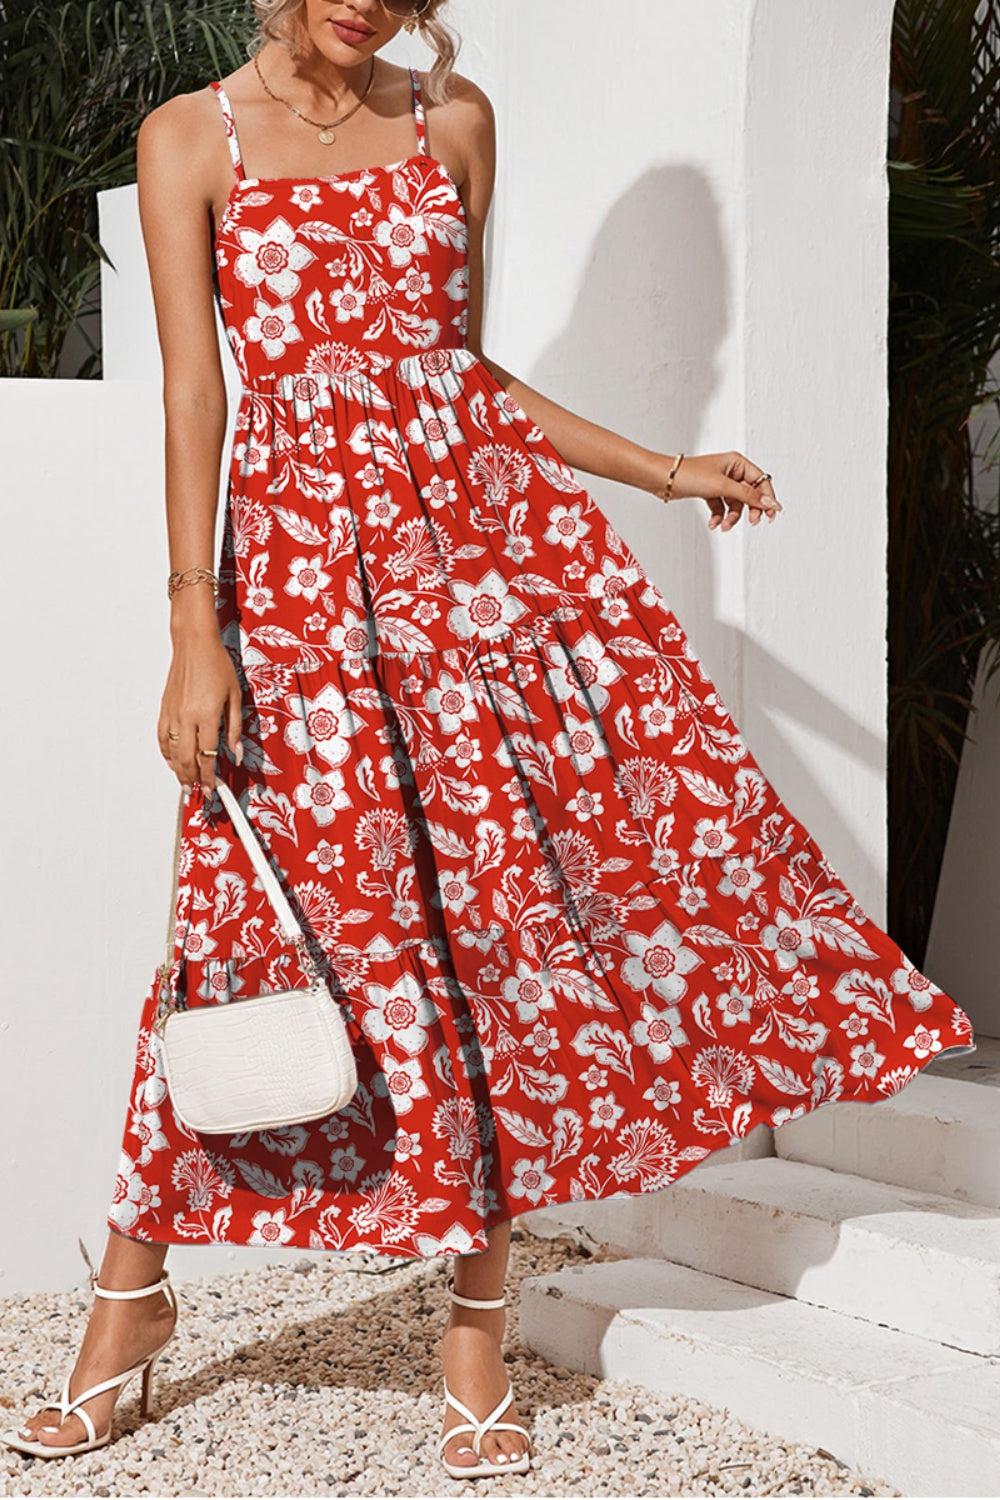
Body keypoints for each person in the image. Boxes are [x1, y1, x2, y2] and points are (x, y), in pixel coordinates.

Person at [3, 0, 975, 1479]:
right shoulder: (188, 137)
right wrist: (197, 627)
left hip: (473, 584)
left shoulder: (452, 123)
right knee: (249, 931)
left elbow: (463, 381)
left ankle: (474, 1321)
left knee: (489, 932)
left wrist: (664, 468)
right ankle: (132, 1300)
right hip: (301, 601)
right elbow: (196, 395)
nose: (369, 1)